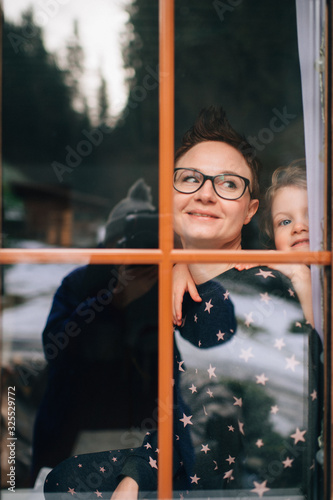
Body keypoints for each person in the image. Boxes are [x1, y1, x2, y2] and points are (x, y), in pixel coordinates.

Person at [44, 107, 319, 499]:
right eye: (190, 179)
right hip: (186, 458)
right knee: (65, 480)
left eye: (227, 184)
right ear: (169, 197)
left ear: (250, 211)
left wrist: (138, 476)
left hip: (235, 483)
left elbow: (267, 442)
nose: (205, 192)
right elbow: (182, 411)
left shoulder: (262, 290)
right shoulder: (178, 285)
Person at [33, 179, 159, 484]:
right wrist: (111, 301)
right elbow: (54, 347)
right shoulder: (79, 282)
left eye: (144, 242)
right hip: (71, 430)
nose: (134, 250)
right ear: (110, 242)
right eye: (126, 241)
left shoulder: (161, 283)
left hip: (137, 431)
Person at [173, 160, 314, 327]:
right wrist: (181, 264)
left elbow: (323, 345)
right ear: (273, 237)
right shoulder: (272, 279)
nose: (298, 227)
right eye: (284, 222)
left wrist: (302, 276)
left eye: (311, 214)